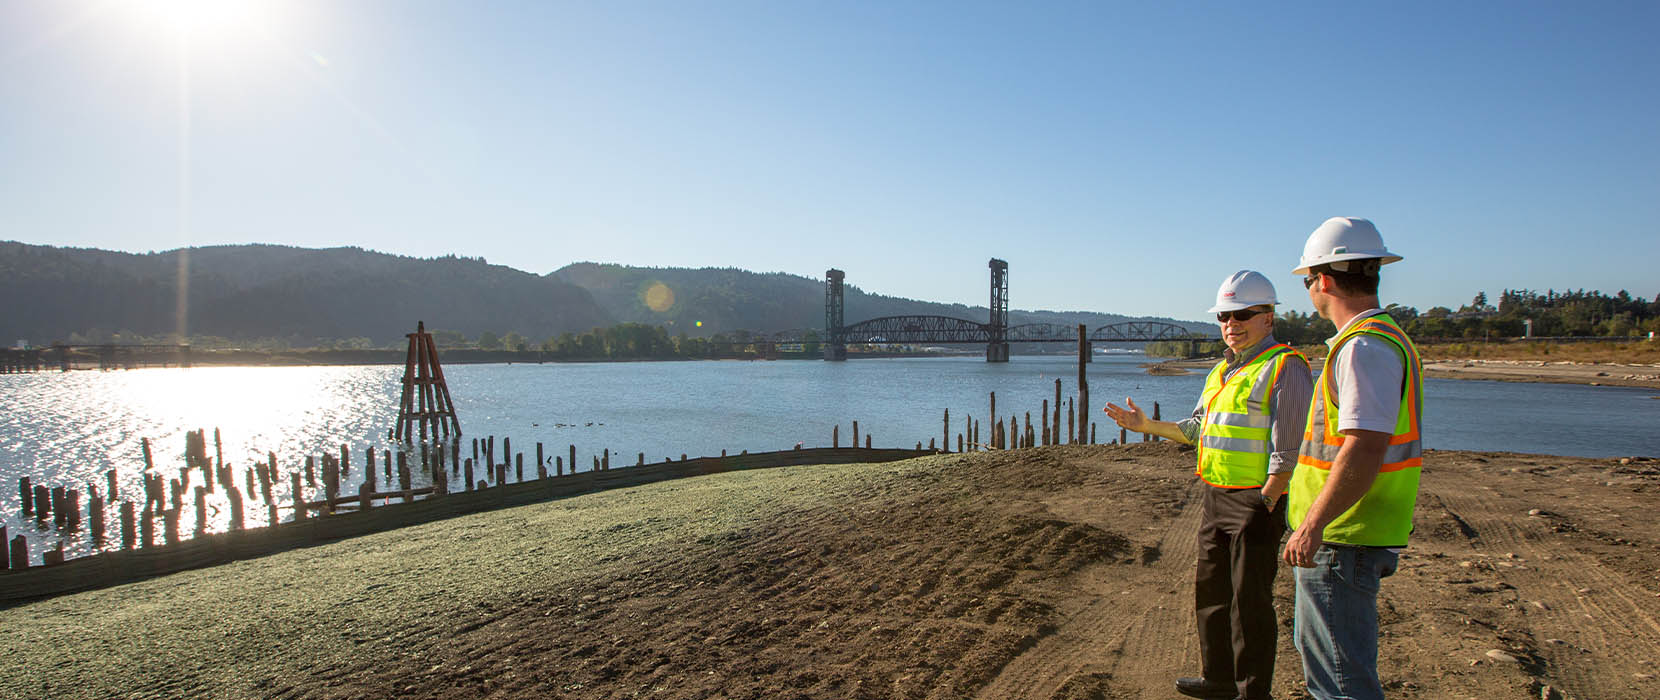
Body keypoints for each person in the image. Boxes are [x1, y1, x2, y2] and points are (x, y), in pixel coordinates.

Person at [1104, 270, 1311, 700]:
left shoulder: (1284, 367)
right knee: (1211, 592)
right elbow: (1197, 429)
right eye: (1224, 316)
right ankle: (1217, 679)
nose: (1231, 324)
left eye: (1243, 315)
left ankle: (1253, 691)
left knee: (1250, 602)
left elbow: (1289, 445)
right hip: (1215, 495)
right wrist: (1147, 426)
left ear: (1268, 318)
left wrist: (1269, 497)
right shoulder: (1221, 371)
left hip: (1257, 500)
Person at [1281, 217, 1423, 700]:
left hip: (1344, 536)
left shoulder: (1363, 347)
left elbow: (1364, 445)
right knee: (1331, 667)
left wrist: (1313, 524)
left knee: (1341, 681)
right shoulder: (1375, 341)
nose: (1308, 291)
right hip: (1350, 532)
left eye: (1306, 282)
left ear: (1322, 279)